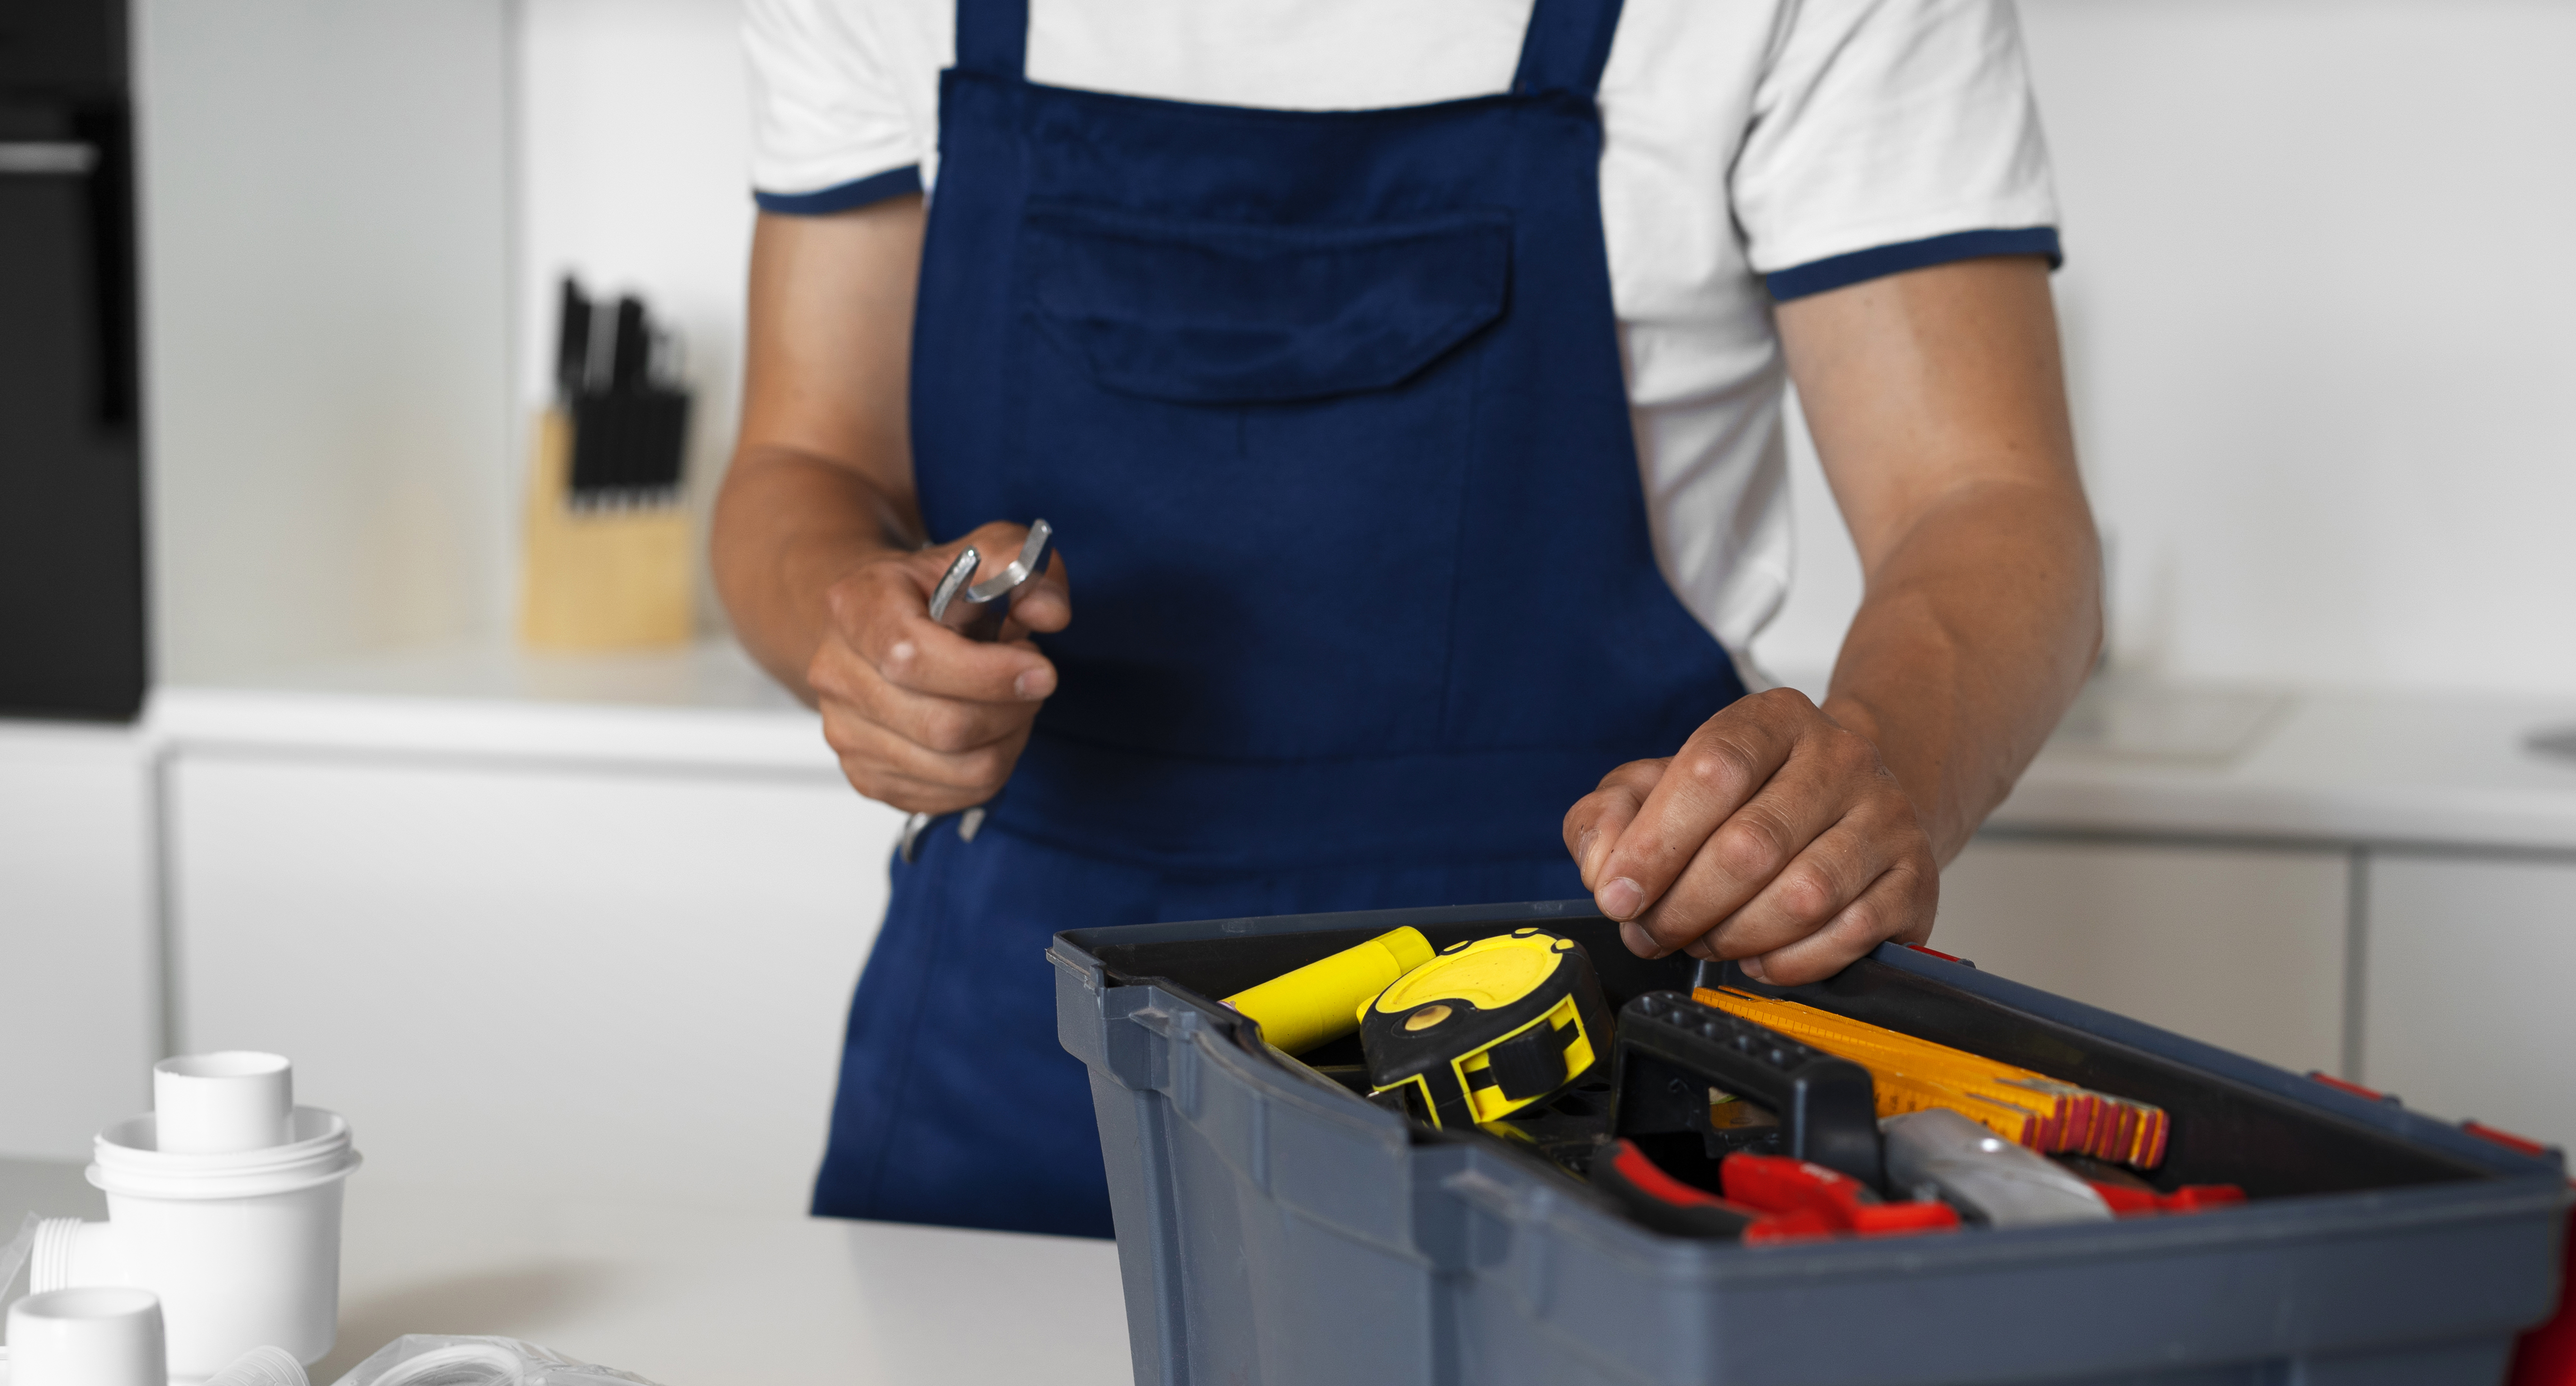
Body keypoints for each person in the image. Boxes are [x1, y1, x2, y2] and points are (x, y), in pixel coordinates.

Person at [715, 0, 2101, 1237]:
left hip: (1584, 1017)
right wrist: (858, 639)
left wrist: (1877, 768)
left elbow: (1978, 495)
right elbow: (800, 466)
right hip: (1028, 1025)